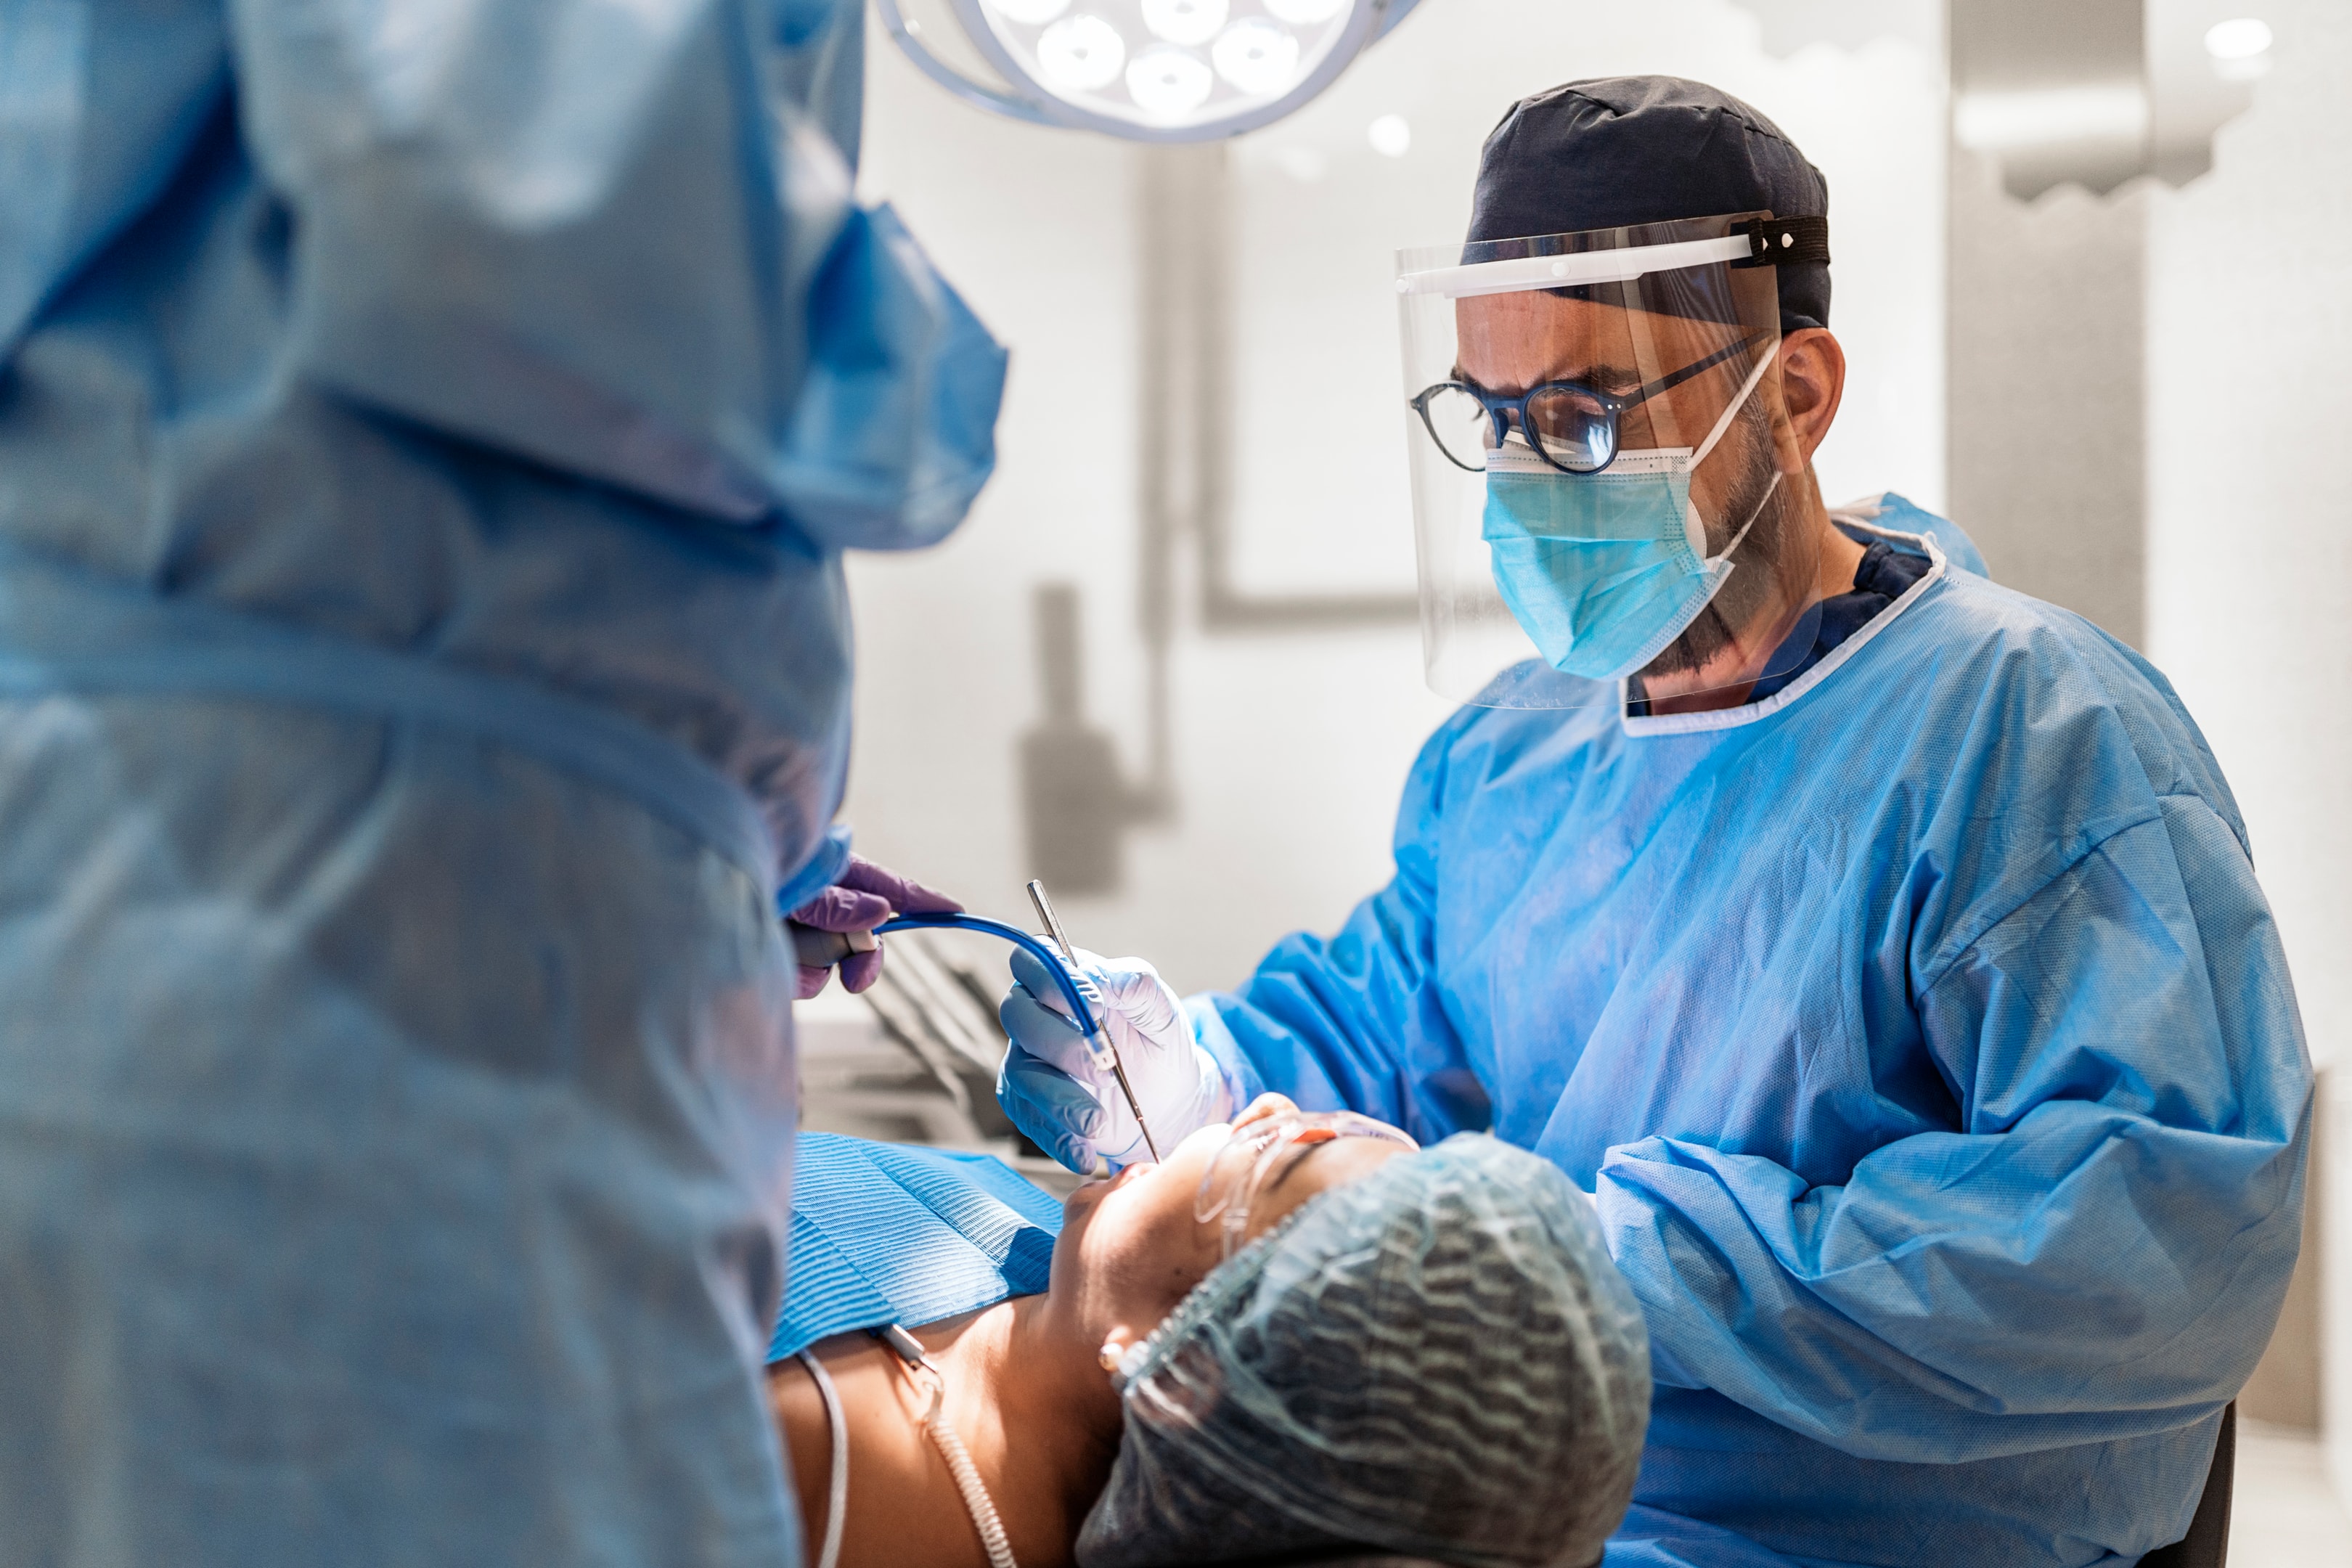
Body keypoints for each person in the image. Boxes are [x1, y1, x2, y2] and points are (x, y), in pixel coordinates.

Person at [996, 77, 2313, 1568]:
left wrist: (1627, 1265)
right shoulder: (1512, 751)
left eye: (1582, 413)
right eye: (1491, 417)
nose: (1523, 474)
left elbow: (2146, 1245)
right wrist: (1185, 1070)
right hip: (1530, 1491)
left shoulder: (2033, 730)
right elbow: (1380, 1030)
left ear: (1796, 395)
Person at [0, 4, 1000, 1564]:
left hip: (299, 852)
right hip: (314, 898)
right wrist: (924, 387)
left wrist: (732, 860)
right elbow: (531, 200)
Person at [767, 1096, 1651, 1568]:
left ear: (1178, 1373)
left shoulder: (796, 1468)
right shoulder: (1044, 1268)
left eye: (1275, 1159)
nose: (1262, 1104)